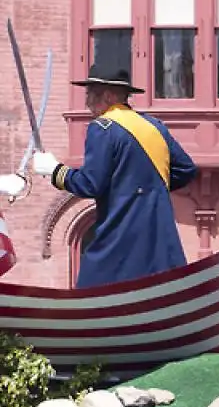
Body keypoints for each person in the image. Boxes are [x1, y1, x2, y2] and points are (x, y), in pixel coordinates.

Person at [31, 64, 197, 288]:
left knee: (92, 296)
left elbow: (90, 184)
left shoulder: (102, 128)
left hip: (121, 232)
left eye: (90, 93)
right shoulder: (154, 125)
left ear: (108, 95)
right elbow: (186, 169)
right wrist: (149, 188)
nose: (87, 100)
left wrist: (54, 170)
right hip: (156, 236)